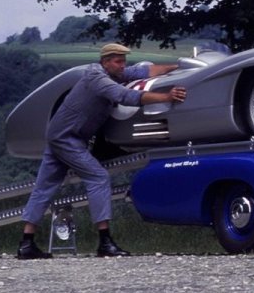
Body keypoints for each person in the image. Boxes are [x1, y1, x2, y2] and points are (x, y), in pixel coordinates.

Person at [17, 42, 186, 259]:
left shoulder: (115, 72)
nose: (122, 65)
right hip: (67, 138)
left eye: (124, 61)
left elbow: (145, 71)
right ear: (105, 62)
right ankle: (105, 242)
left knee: (44, 187)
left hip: (61, 135)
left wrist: (178, 67)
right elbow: (126, 97)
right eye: (118, 61)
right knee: (98, 177)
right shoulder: (97, 79)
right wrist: (167, 97)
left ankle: (26, 244)